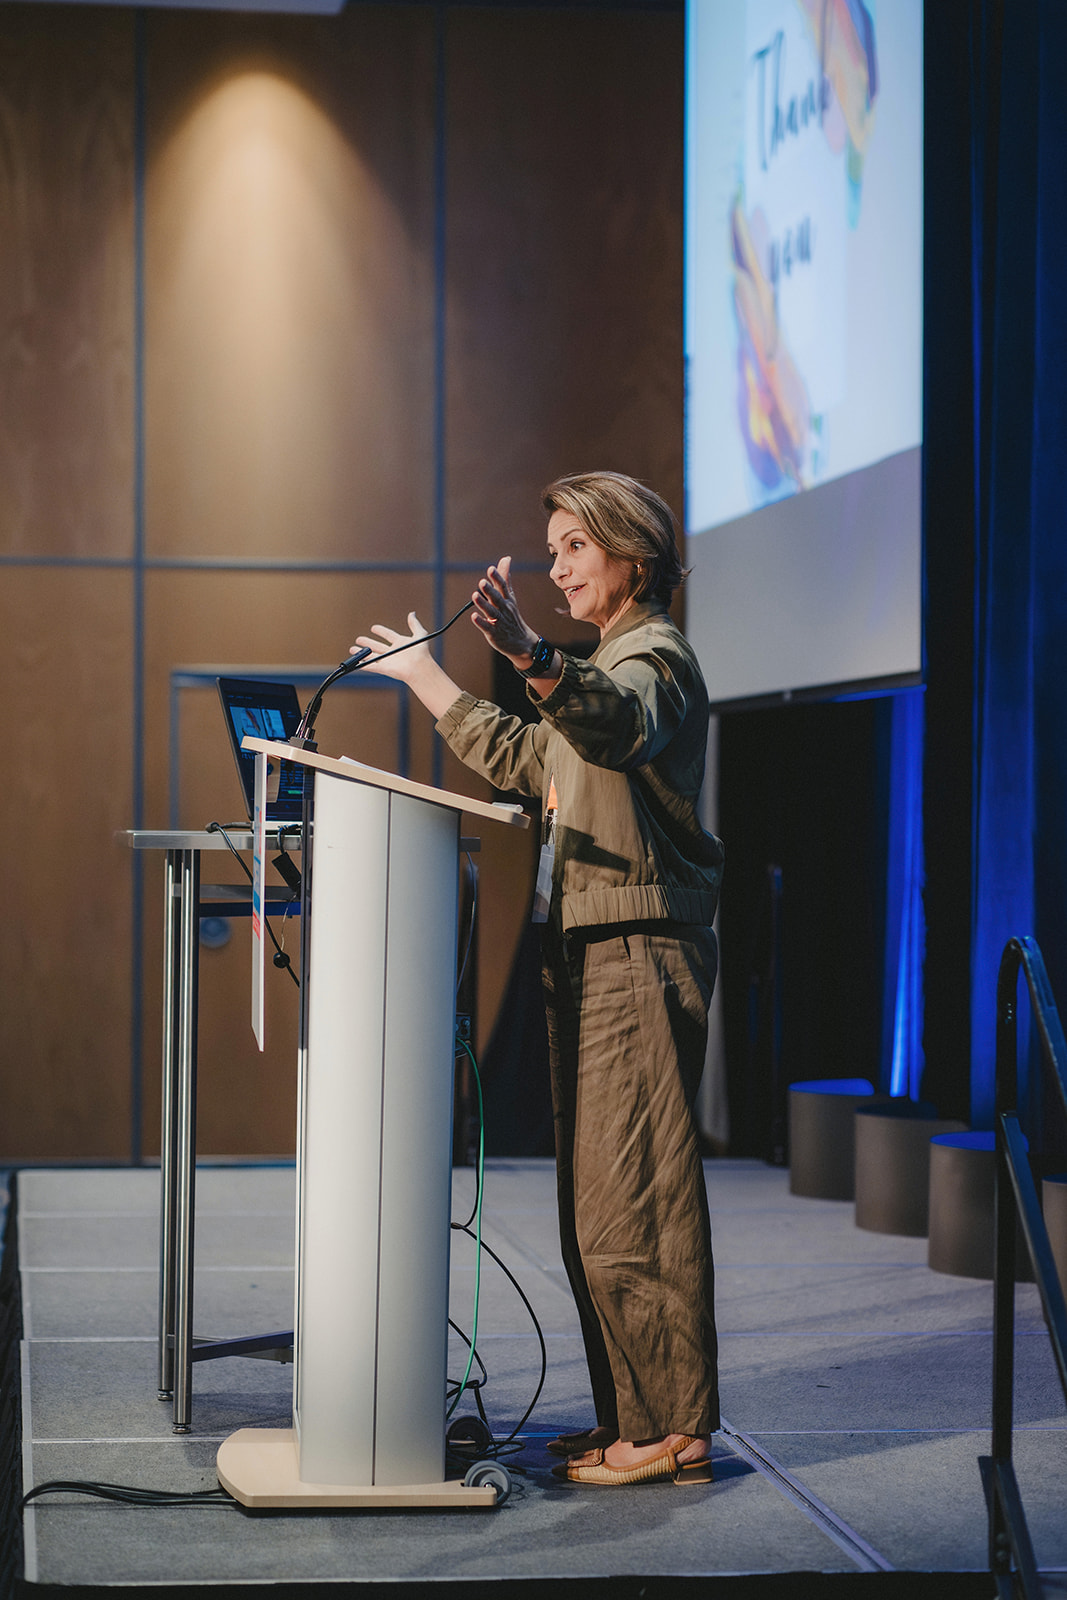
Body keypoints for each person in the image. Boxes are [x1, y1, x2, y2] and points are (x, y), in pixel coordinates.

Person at [352, 471, 724, 1488]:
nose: (555, 568)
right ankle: (631, 1414)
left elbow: (619, 724)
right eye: (551, 548)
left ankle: (671, 1426)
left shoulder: (652, 658)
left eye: (573, 547)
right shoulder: (602, 663)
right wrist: (425, 678)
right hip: (592, 946)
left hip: (635, 946)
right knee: (597, 1203)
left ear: (630, 555)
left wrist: (528, 653)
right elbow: (531, 758)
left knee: (632, 1200)